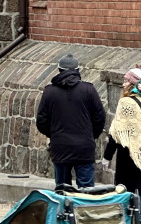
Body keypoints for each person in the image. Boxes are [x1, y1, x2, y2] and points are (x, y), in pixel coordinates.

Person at [35, 53, 106, 189]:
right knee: (87, 191)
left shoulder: (49, 92)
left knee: (62, 189)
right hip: (84, 146)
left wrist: (54, 134)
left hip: (60, 146)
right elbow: (100, 117)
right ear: (78, 70)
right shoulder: (88, 89)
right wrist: (91, 135)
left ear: (59, 70)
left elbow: (41, 121)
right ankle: (84, 210)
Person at [102, 69, 141, 224]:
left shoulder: (125, 103)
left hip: (127, 155)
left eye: (125, 81)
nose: (123, 84)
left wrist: (107, 156)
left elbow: (116, 133)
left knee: (125, 192)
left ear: (132, 84)